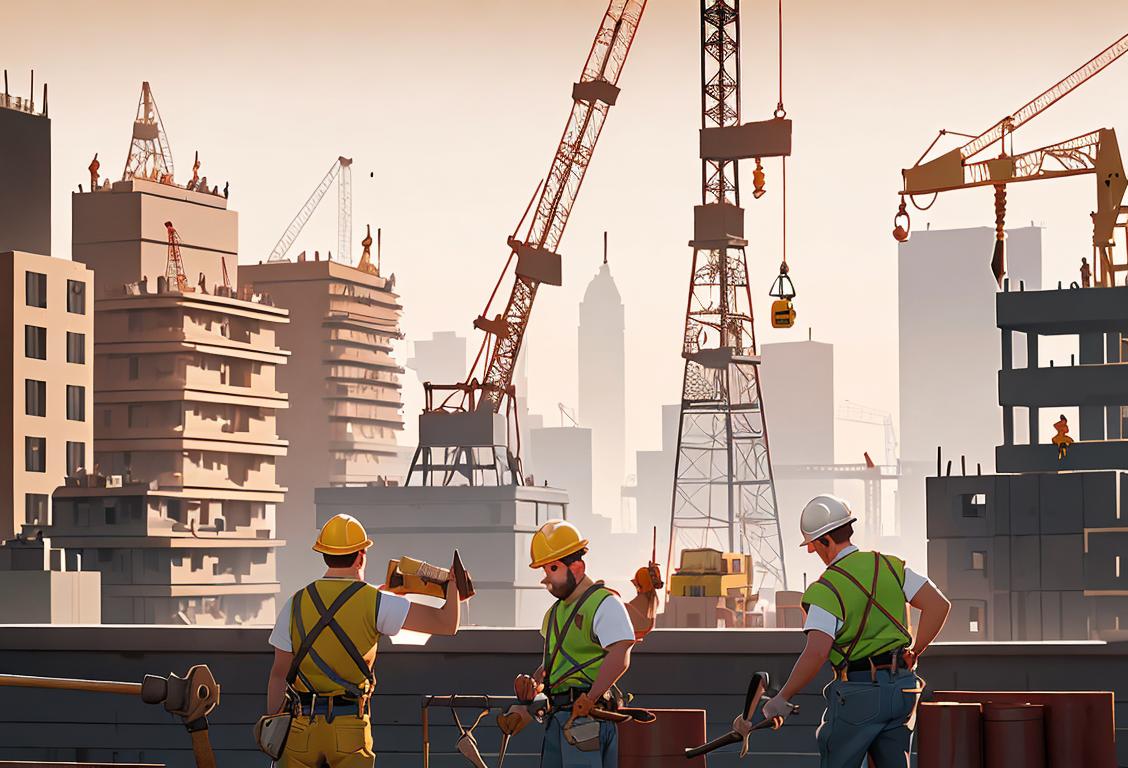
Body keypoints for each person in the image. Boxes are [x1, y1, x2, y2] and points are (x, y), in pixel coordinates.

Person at [762, 495, 951, 768]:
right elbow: (938, 605)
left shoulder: (826, 590)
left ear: (826, 540)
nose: (811, 552)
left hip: (859, 693)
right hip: (904, 689)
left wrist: (783, 697)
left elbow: (816, 652)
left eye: (813, 545)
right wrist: (914, 651)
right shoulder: (890, 566)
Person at [266, 513, 461, 767]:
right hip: (349, 728)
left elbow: (278, 675)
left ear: (325, 555)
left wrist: (273, 728)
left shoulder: (295, 602)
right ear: (360, 557)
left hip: (299, 730)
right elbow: (446, 624)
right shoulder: (375, 602)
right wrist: (454, 585)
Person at [514, 520, 641, 768]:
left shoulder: (604, 604)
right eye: (544, 571)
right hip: (558, 717)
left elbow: (620, 653)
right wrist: (533, 684)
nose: (546, 579)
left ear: (577, 567)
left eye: (552, 569)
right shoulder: (553, 614)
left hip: (587, 718)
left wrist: (591, 698)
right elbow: (552, 664)